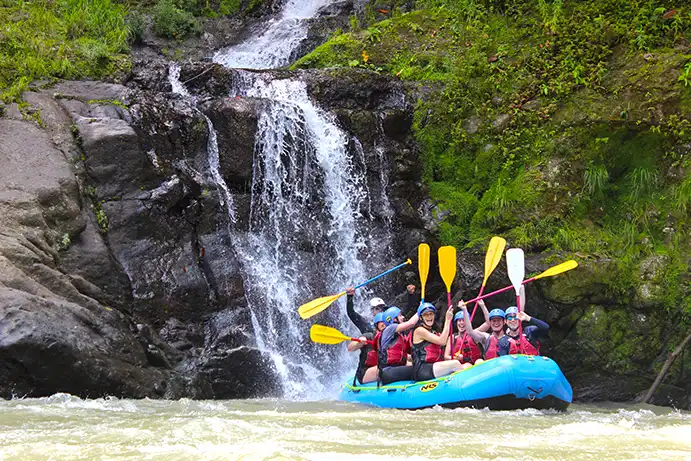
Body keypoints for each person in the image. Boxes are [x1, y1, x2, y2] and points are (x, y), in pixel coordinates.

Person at [411, 303, 465, 381]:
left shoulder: (433, 332)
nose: (429, 317)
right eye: (425, 315)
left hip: (433, 366)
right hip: (422, 369)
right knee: (455, 364)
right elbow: (442, 341)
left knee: (464, 365)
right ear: (421, 318)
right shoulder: (419, 330)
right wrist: (448, 320)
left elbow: (444, 342)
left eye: (431, 314)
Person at [378, 306, 419, 384]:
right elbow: (411, 323)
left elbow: (403, 355)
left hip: (396, 369)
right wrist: (420, 310)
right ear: (394, 319)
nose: (403, 317)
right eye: (400, 315)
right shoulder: (389, 329)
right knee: (419, 370)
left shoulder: (399, 334)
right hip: (388, 371)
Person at [445, 299, 490, 367]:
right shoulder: (452, 338)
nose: (462, 323)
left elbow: (488, 323)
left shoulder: (473, 333)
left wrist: (483, 306)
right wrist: (455, 358)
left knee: (479, 361)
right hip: (462, 366)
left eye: (463, 320)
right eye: (459, 321)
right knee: (466, 365)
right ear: (456, 323)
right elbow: (446, 357)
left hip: (476, 364)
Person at [347, 312, 387, 384]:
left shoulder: (390, 338)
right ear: (376, 326)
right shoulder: (369, 336)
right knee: (387, 368)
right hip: (365, 372)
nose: (385, 326)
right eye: (382, 324)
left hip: (381, 368)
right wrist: (359, 343)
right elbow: (350, 348)